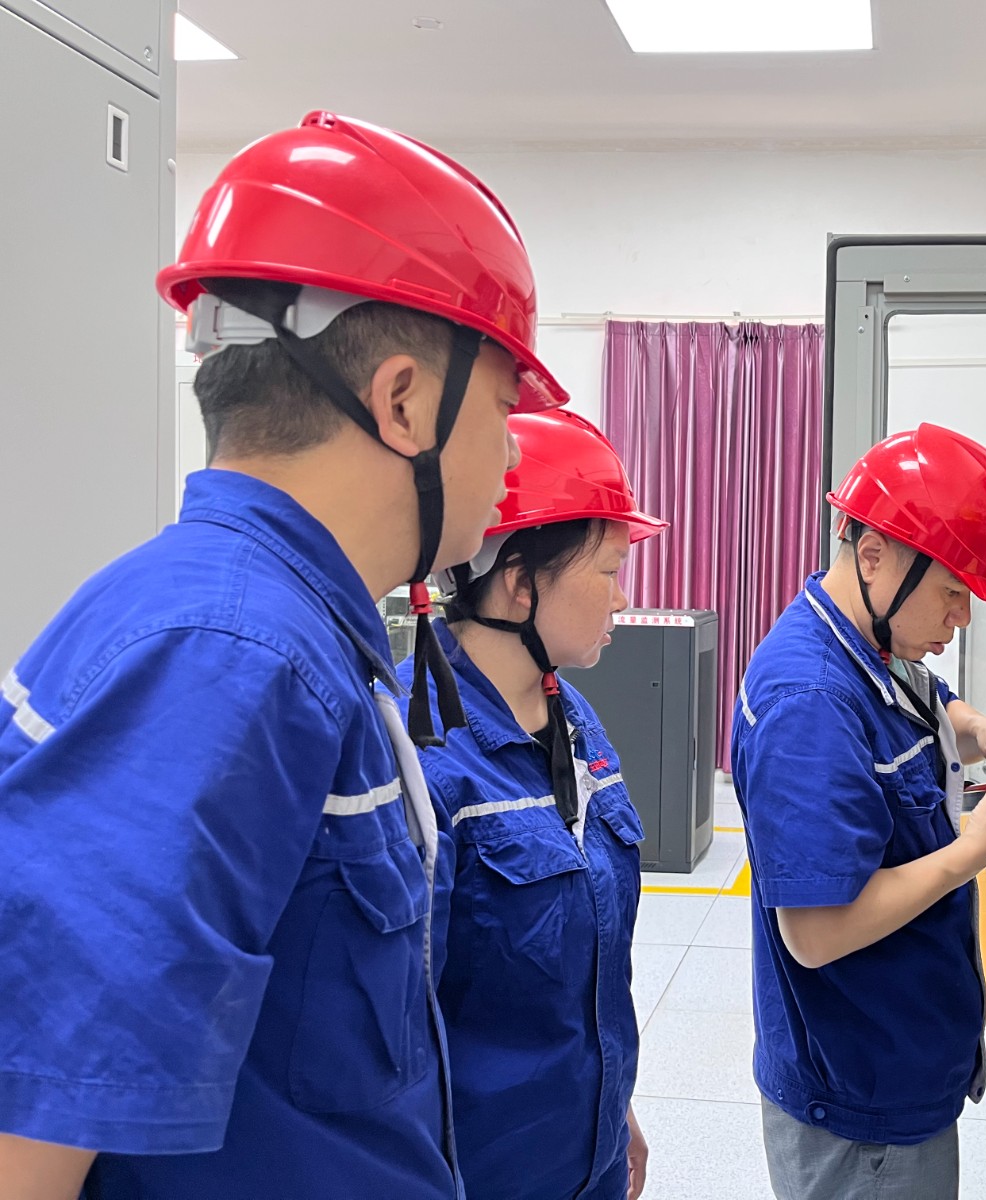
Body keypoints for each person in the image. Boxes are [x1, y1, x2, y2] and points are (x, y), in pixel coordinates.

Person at [0, 111, 567, 1198]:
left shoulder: (285, 630)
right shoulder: (223, 658)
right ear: (404, 402)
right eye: (503, 407)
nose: (511, 453)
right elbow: (25, 1151)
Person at [733, 423, 986, 1200]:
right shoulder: (809, 702)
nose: (962, 616)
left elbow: (915, 695)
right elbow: (816, 933)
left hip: (888, 1063)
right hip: (862, 1116)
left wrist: (978, 729)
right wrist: (980, 843)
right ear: (875, 555)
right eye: (953, 591)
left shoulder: (865, 643)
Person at [405, 409, 665, 1200]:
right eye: (610, 570)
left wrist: (613, 1108)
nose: (623, 598)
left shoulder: (573, 718)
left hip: (586, 1157)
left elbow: (582, 976)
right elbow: (394, 1037)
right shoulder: (423, 758)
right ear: (520, 583)